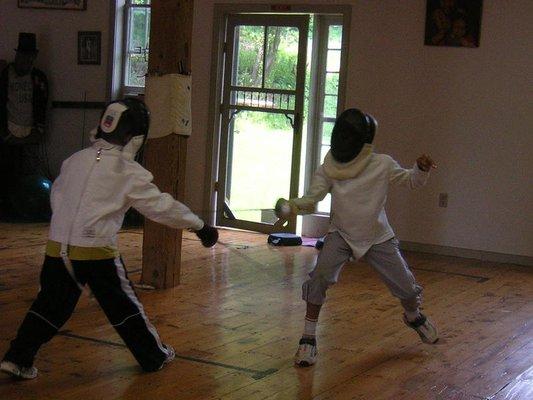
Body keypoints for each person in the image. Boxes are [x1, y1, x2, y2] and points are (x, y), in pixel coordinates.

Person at [0, 98, 219, 379]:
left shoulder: (74, 160)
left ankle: (18, 357)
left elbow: (58, 197)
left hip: (56, 249)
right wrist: (200, 226)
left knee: (51, 305)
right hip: (96, 252)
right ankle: (154, 355)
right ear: (134, 137)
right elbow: (162, 207)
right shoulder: (128, 172)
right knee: (124, 305)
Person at [275, 108, 439, 367]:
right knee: (319, 277)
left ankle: (413, 316)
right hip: (341, 234)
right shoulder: (329, 168)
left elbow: (410, 181)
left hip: (377, 236)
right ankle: (308, 338)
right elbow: (312, 198)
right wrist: (291, 206)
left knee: (406, 287)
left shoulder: (382, 164)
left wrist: (420, 170)